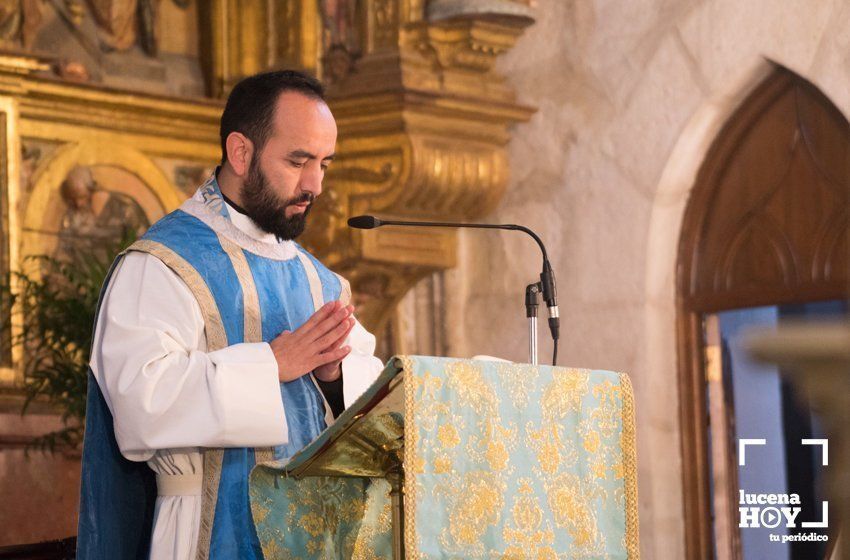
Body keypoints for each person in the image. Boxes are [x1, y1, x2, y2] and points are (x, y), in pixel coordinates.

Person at [76, 70, 385, 560]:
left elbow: (372, 404)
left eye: (325, 163)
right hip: (201, 527)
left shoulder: (319, 282)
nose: (316, 184)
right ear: (240, 152)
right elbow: (140, 403)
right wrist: (271, 366)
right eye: (298, 160)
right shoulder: (163, 264)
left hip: (313, 539)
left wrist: (332, 378)